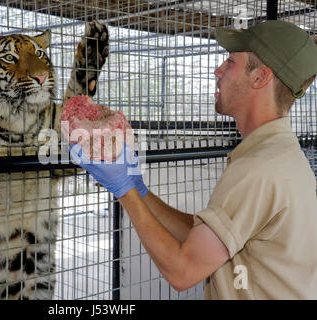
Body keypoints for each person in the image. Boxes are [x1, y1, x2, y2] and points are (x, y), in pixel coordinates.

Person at [69, 20, 317, 299]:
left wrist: (125, 191)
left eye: (231, 62)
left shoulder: (259, 168)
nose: (217, 70)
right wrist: (138, 189)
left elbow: (183, 270)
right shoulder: (277, 154)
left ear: (260, 77)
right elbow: (204, 238)